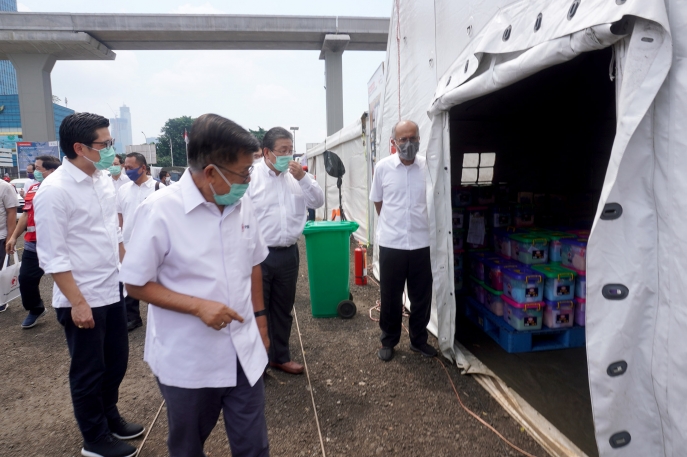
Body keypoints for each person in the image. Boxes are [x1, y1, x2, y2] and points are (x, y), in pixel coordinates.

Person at [120, 113, 270, 457]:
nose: (249, 180)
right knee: (187, 446)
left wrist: (261, 322)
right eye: (244, 173)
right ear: (211, 172)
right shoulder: (160, 210)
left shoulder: (240, 202)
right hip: (189, 358)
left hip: (243, 349)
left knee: (254, 445)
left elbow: (254, 263)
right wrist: (198, 305)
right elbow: (135, 283)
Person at [34, 112, 143, 457]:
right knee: (88, 371)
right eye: (105, 144)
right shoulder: (54, 191)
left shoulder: (101, 180)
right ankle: (94, 439)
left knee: (116, 363)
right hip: (81, 297)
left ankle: (109, 417)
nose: (113, 150)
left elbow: (114, 232)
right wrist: (77, 302)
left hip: (112, 288)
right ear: (80, 147)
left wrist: (130, 270)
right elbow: (53, 257)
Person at [247, 127, 324, 375]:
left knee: (283, 309)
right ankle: (257, 363)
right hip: (258, 255)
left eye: (290, 151)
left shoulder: (296, 177)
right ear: (267, 152)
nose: (288, 156)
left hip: (288, 252)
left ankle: (280, 357)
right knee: (257, 310)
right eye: (283, 151)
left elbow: (318, 201)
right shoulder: (251, 177)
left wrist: (303, 178)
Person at [369, 120, 437, 362]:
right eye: (403, 139)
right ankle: (389, 340)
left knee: (421, 297)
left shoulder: (428, 167)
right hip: (392, 243)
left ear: (419, 138)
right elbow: (378, 201)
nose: (409, 143)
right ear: (394, 142)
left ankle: (419, 341)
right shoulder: (383, 168)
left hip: (422, 243)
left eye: (413, 138)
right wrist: (393, 222)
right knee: (390, 295)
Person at [6, 155, 60, 327]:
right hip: (33, 244)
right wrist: (14, 236)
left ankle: (66, 310)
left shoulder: (64, 189)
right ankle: (35, 309)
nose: (34, 172)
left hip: (59, 244)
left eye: (38, 168)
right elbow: (27, 215)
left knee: (65, 279)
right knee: (26, 279)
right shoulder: (33, 189)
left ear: (52, 171)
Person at [117, 152, 158, 331]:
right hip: (128, 244)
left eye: (130, 168)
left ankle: (157, 317)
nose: (127, 171)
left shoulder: (158, 188)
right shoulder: (123, 190)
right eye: (125, 168)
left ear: (143, 168)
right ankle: (132, 318)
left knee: (154, 281)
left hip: (151, 244)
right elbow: (119, 218)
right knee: (129, 280)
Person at [0, 177, 17, 312]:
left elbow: (12, 212)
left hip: (1, 236)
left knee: (1, 271)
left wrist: (10, 237)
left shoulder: (4, 186)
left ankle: (2, 300)